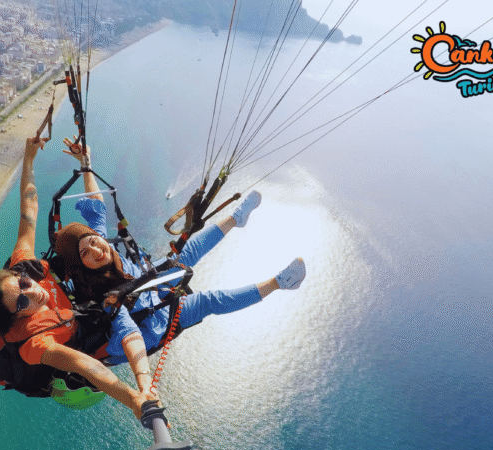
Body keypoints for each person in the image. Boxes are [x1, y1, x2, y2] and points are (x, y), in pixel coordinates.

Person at [55, 137, 306, 377]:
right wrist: (143, 380)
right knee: (210, 301)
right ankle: (280, 283)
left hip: (151, 280)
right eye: (85, 253)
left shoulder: (100, 244)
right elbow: (129, 338)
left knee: (189, 251)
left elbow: (96, 206)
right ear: (80, 264)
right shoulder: (98, 295)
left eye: (93, 241)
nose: (96, 250)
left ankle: (235, 219)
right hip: (154, 321)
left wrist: (86, 164)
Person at [0, 136, 156, 418]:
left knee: (94, 232)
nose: (32, 292)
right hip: (75, 335)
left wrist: (28, 158)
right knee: (148, 326)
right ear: (17, 317)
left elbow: (29, 209)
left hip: (71, 302)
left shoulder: (24, 267)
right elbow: (86, 366)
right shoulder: (34, 343)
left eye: (23, 284)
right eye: (22, 302)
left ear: (18, 274)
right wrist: (135, 399)